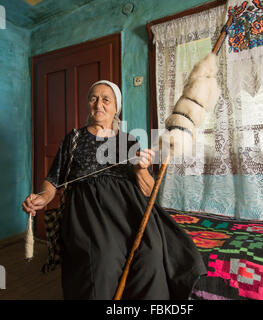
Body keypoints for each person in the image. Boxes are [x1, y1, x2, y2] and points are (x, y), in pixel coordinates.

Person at [22, 80, 206, 300]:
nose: (99, 104)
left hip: (130, 213)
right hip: (89, 215)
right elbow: (53, 180)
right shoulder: (73, 140)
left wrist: (140, 170)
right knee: (102, 260)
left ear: (115, 108)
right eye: (93, 98)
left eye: (106, 99)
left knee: (151, 255)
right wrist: (42, 197)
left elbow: (148, 192)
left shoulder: (129, 141)